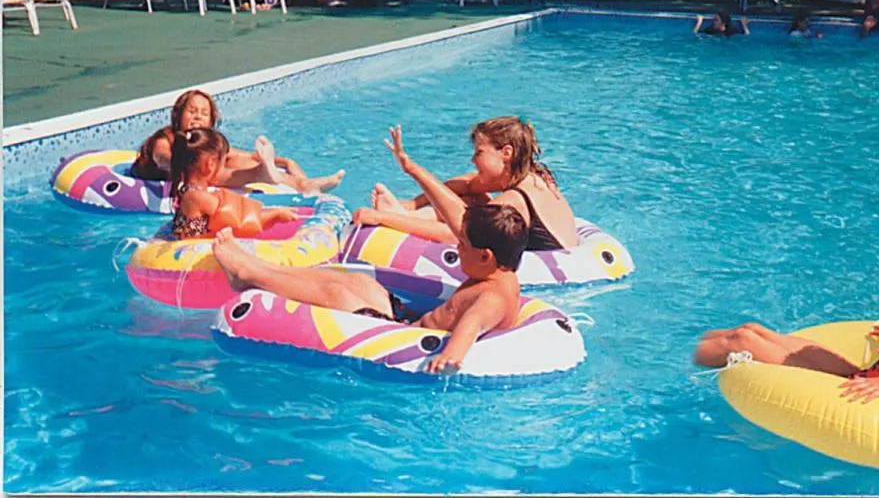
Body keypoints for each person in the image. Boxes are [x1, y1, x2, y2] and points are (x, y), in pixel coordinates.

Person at [210, 130, 530, 374]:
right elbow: (455, 217)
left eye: (462, 246)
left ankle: (249, 272)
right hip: (405, 321)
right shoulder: (496, 273)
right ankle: (261, 268)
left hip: (397, 335)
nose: (457, 248)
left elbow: (471, 325)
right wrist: (411, 167)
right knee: (357, 282)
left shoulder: (493, 297)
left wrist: (450, 358)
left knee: (338, 294)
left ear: (485, 256)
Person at [694, 229, 879, 428]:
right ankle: (690, 350)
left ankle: (680, 364)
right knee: (751, 330)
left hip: (857, 396)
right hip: (863, 377)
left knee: (741, 342)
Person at [352, 117, 579, 250]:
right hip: (555, 250)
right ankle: (406, 213)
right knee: (473, 198)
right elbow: (467, 184)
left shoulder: (515, 200)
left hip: (551, 274)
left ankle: (398, 216)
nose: (473, 160)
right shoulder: (532, 175)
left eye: (479, 152)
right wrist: (413, 204)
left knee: (471, 219)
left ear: (506, 153)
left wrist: (382, 218)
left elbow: (460, 235)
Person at [131, 89, 344, 193]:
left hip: (204, 168)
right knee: (211, 170)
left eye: (204, 113)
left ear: (211, 121)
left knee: (240, 161)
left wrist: (286, 162)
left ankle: (304, 185)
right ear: (178, 115)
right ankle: (263, 174)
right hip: (168, 177)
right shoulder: (165, 139)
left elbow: (245, 155)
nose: (197, 117)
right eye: (192, 111)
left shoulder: (208, 143)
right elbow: (164, 159)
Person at [170, 128, 299, 239]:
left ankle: (262, 171)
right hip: (195, 254)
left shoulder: (187, 190)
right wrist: (276, 214)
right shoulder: (197, 196)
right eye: (223, 163)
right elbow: (241, 223)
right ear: (210, 164)